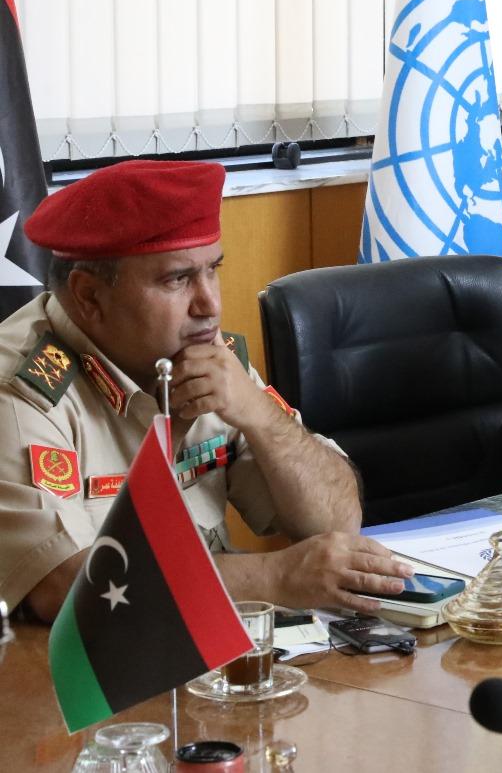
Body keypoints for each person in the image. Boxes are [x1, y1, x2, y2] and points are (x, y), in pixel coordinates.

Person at [0, 160, 412, 622]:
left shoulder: (205, 358)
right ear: (89, 296)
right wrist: (273, 577)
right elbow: (61, 585)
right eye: (177, 279)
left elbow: (336, 522)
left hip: (195, 643)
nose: (210, 305)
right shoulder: (19, 392)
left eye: (212, 270)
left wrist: (258, 414)